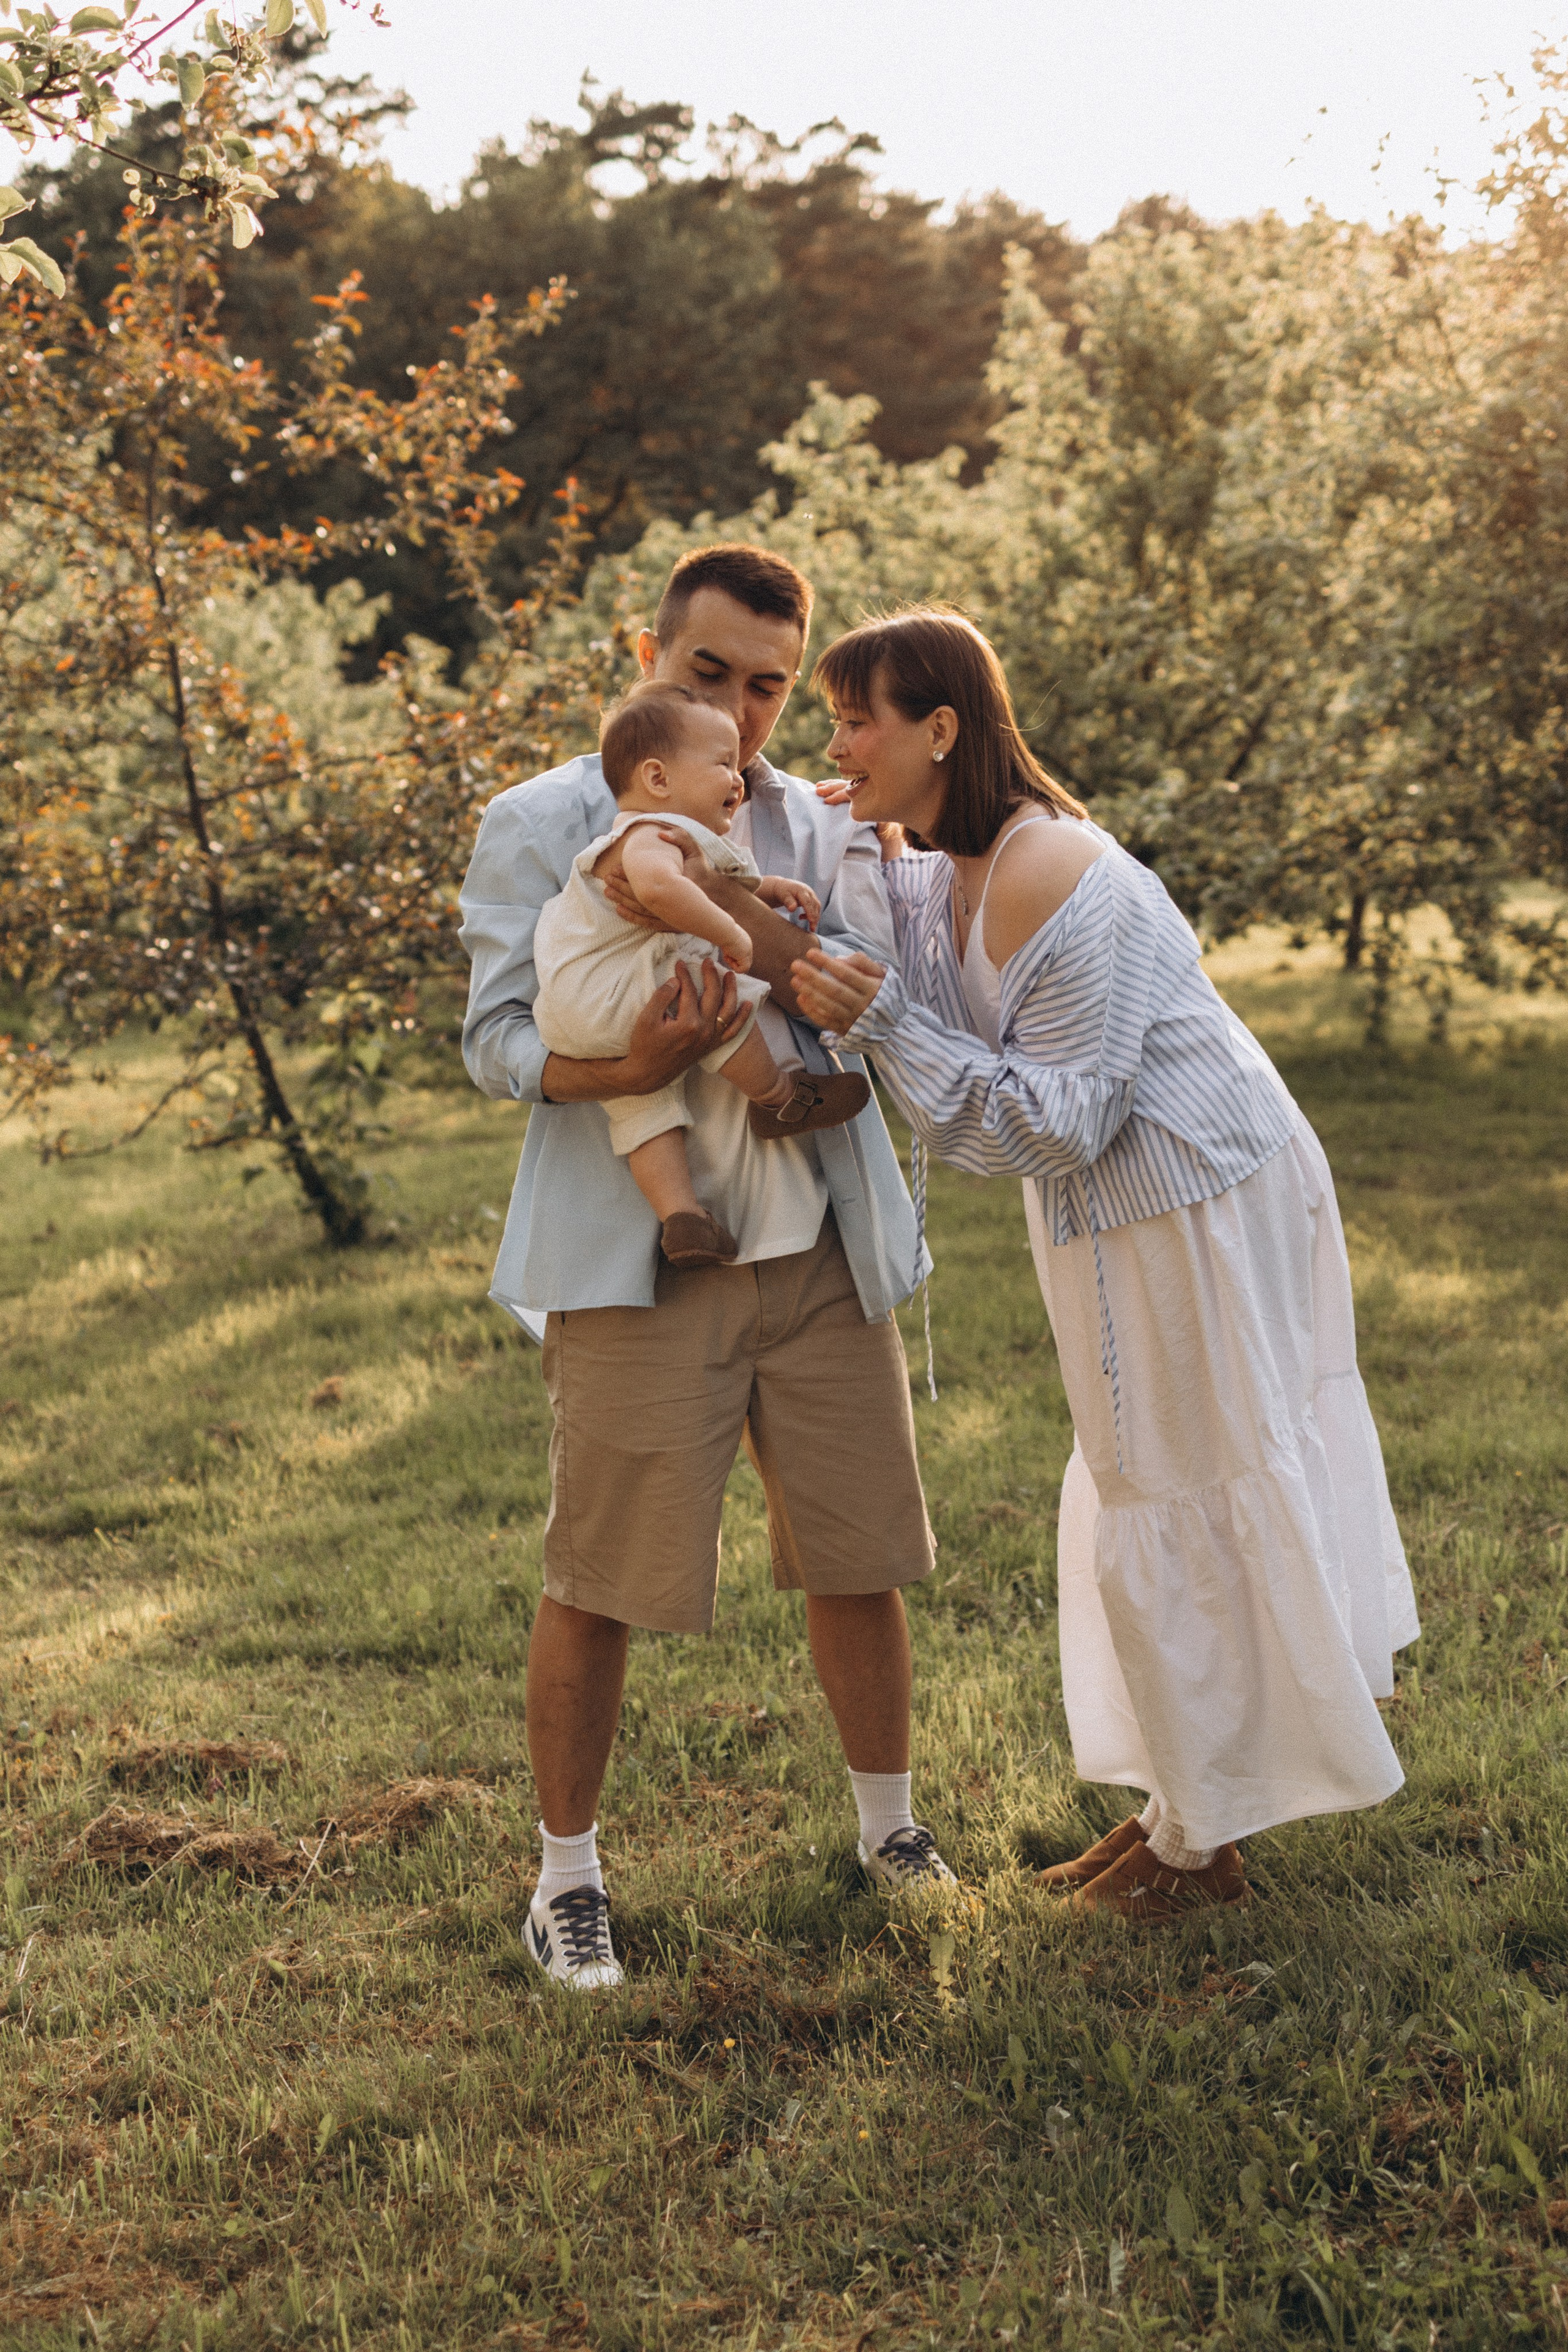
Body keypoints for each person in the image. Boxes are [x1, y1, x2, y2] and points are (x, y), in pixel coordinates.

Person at [792, 606, 1419, 1924]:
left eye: (855, 718)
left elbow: (1055, 1116)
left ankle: (1202, 1849)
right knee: (1146, 1478)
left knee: (1183, 1475)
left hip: (1192, 1191)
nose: (832, 742)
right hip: (1119, 1202)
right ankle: (1180, 1811)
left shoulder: (1043, 865)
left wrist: (887, 1020)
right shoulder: (953, 866)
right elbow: (869, 930)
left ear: (939, 729)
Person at [459, 546, 955, 1993]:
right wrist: (638, 1061)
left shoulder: (819, 816)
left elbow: (876, 997)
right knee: (599, 1575)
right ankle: (565, 1879)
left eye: (767, 688)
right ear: (649, 650)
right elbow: (496, 1039)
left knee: (858, 1556)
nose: (738, 720)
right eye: (707, 678)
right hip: (642, 1260)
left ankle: (889, 1829)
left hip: (813, 1244)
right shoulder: (538, 820)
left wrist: (837, 991)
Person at [532, 679, 870, 1271]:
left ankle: (682, 1217)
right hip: (611, 992)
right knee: (716, 994)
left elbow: (714, 878)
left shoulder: (673, 838)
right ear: (658, 780)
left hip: (573, 1019)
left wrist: (771, 889)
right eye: (721, 763)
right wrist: (732, 934)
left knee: (641, 1106)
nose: (736, 777)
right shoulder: (648, 833)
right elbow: (663, 885)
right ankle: (779, 1096)